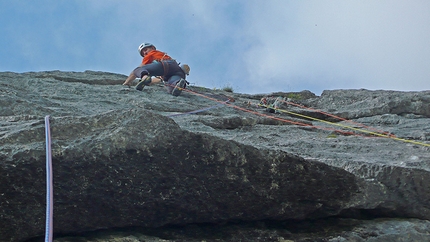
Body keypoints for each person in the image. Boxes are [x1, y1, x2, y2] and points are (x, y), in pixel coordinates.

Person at [123, 42, 190, 96]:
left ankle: (145, 77)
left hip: (164, 65)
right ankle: (178, 83)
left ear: (152, 48)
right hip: (177, 71)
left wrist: (126, 83)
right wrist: (149, 82)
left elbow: (139, 69)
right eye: (143, 53)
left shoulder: (151, 54)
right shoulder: (162, 54)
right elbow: (159, 79)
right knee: (172, 90)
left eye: (145, 50)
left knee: (137, 70)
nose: (145, 53)